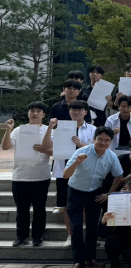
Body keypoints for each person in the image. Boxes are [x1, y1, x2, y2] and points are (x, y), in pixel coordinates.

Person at [63, 126, 125, 268]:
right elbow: (66, 175)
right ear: (94, 139)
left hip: (95, 193)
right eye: (100, 139)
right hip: (76, 192)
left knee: (92, 227)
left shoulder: (111, 156)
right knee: (77, 227)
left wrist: (109, 193)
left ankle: (90, 258)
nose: (103, 143)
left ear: (110, 142)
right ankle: (78, 261)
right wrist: (76, 162)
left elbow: (119, 175)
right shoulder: (80, 152)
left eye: (107, 140)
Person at [41, 100, 96, 247]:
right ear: (69, 112)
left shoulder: (92, 129)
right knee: (67, 205)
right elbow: (47, 146)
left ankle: (88, 236)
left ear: (85, 112)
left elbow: (98, 150)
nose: (76, 112)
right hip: (64, 171)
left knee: (87, 205)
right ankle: (71, 236)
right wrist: (50, 128)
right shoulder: (59, 128)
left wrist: (80, 145)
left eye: (80, 110)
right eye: (73, 110)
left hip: (86, 172)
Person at [2, 102, 50, 247]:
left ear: (43, 114)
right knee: (21, 210)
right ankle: (21, 236)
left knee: (39, 209)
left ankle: (37, 237)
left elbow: (55, 151)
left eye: (38, 111)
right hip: (20, 175)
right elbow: (5, 147)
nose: (35, 113)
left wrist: (44, 150)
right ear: (28, 113)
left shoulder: (49, 130)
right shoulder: (19, 130)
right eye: (32, 111)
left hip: (41, 175)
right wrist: (8, 130)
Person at [102, 180, 131, 268]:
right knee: (112, 243)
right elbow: (102, 233)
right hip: (117, 239)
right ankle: (115, 266)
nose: (127, 191)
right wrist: (104, 221)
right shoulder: (111, 205)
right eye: (124, 189)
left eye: (130, 189)